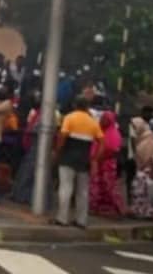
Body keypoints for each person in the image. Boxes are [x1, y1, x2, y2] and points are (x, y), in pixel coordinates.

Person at [55, 97, 104, 227]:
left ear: (75, 104)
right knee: (83, 191)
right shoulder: (93, 122)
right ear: (87, 106)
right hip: (84, 158)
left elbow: (62, 136)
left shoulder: (69, 118)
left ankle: (62, 218)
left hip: (68, 156)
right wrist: (94, 159)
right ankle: (81, 220)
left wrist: (58, 150)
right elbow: (102, 143)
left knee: (66, 187)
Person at [90, 110, 126, 219]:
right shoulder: (99, 131)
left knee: (108, 185)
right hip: (97, 162)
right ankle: (97, 208)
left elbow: (112, 149)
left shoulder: (113, 134)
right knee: (97, 185)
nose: (102, 121)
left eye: (106, 119)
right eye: (102, 118)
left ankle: (116, 209)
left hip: (107, 163)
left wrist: (98, 158)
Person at [129, 117, 153, 220]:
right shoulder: (142, 137)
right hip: (142, 168)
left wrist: (151, 170)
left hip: (148, 169)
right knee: (141, 192)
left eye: (135, 127)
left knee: (148, 192)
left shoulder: (149, 138)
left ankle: (152, 213)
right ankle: (141, 212)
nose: (134, 129)